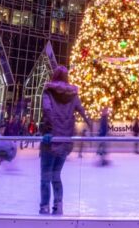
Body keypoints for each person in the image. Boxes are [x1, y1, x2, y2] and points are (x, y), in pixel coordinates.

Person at [39, 65, 91, 215]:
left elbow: (47, 109)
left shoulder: (48, 91)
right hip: (65, 139)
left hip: (51, 139)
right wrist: (90, 124)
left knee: (45, 175)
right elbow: (81, 109)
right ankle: (58, 204)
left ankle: (44, 206)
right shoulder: (73, 95)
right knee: (56, 174)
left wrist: (50, 128)